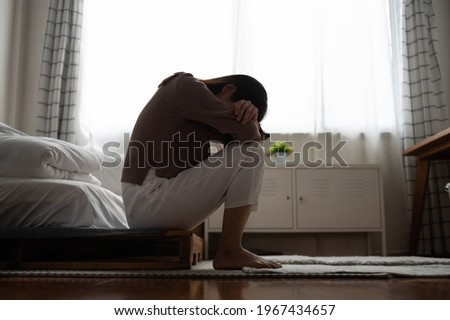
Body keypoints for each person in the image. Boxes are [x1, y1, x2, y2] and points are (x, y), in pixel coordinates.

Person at [121, 72, 281, 270]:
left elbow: (248, 138)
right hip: (148, 198)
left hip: (151, 203)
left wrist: (251, 120)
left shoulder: (202, 119)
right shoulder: (185, 85)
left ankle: (230, 249)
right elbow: (249, 136)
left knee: (249, 151)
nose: (234, 116)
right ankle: (230, 250)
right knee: (251, 153)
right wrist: (249, 121)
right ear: (228, 89)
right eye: (237, 110)